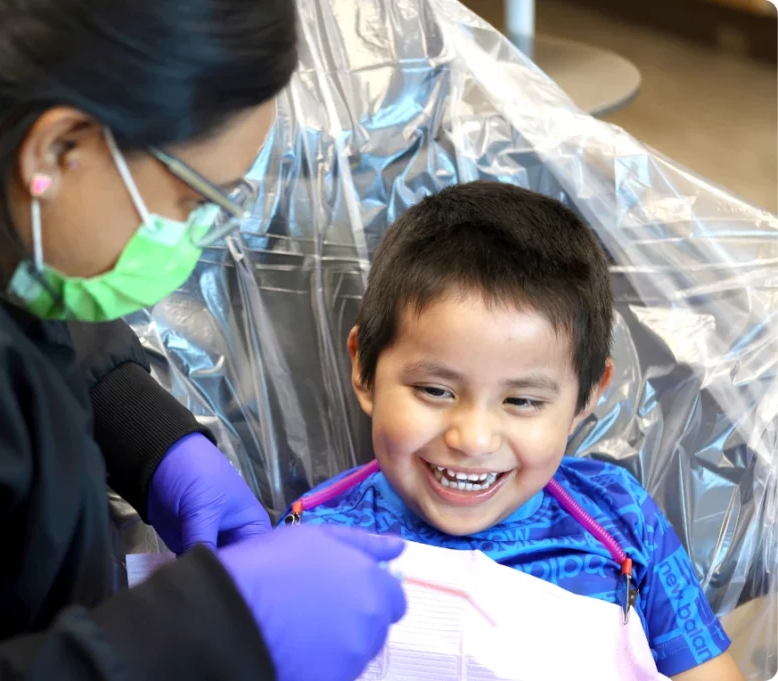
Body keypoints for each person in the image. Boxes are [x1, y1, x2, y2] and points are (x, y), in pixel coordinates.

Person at [0, 1, 408, 680]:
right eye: (193, 202)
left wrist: (147, 433)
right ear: (58, 147)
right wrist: (205, 631)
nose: (197, 231)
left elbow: (27, 280)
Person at [283, 182, 745, 681]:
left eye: (522, 401)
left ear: (587, 396)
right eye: (435, 391)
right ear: (364, 370)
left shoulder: (623, 522)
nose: (473, 439)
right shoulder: (309, 541)